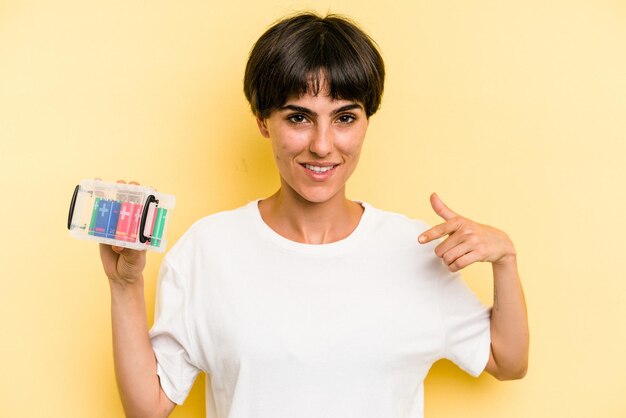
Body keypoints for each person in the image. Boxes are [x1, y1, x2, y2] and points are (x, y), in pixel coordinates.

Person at [99, 12, 528, 418]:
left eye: (344, 117)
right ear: (263, 121)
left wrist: (505, 261)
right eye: (299, 117)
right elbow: (148, 407)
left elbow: (507, 361)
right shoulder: (208, 248)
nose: (322, 145)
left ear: (366, 121)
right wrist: (125, 284)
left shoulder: (416, 250)